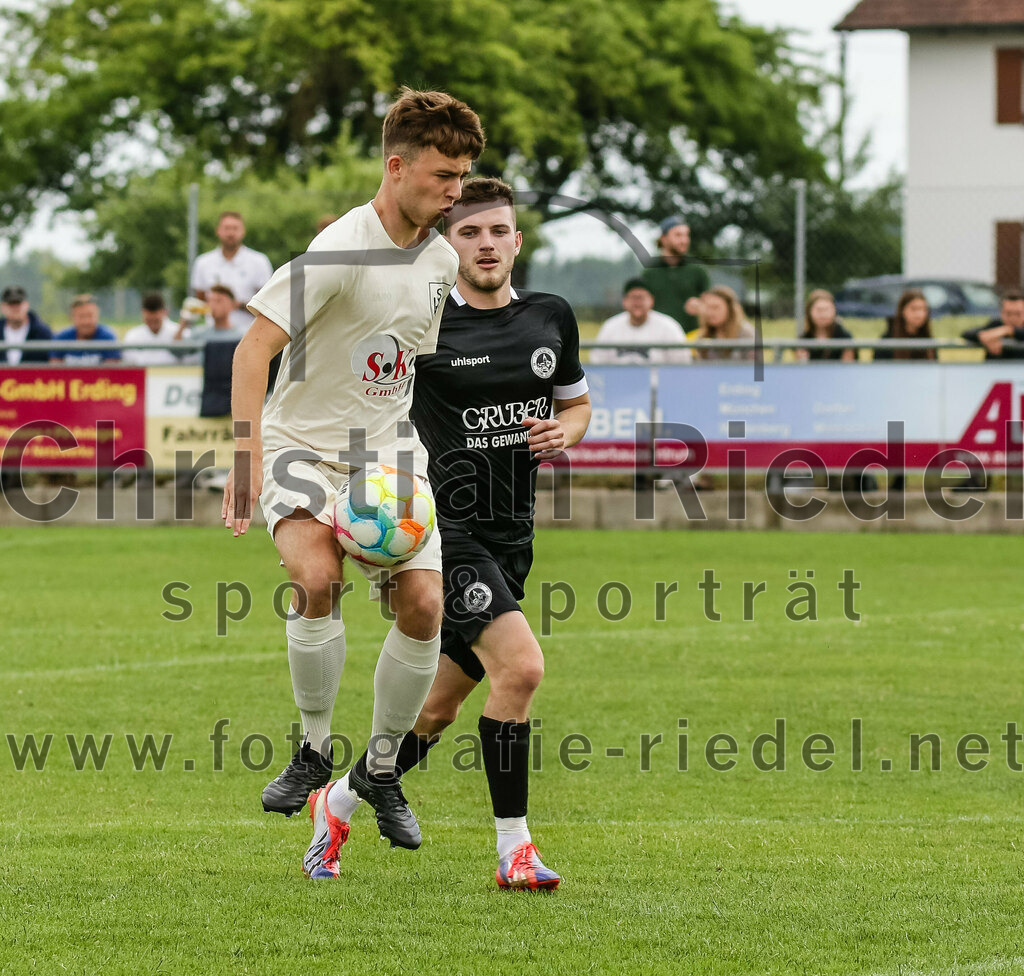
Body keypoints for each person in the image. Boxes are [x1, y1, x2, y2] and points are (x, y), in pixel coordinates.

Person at [301, 177, 591, 890]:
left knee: (434, 710)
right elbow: (357, 392)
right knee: (521, 670)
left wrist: (566, 430)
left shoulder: (551, 316)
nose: (485, 244)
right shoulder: (423, 323)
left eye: (497, 231)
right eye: (469, 232)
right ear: (446, 243)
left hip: (513, 537)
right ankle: (515, 849)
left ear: (517, 240)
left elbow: (577, 404)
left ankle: (337, 803)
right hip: (441, 531)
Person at [221, 88, 485, 851]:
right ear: (396, 167)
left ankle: (382, 770)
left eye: (463, 176)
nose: (456, 191)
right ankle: (312, 751)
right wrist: (245, 456)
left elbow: (406, 368)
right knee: (316, 579)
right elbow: (252, 351)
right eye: (442, 175)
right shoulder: (339, 248)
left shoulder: (441, 259)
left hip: (388, 454)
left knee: (425, 606)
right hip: (301, 445)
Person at [190, 211, 273, 333]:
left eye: (235, 228)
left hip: (249, 334)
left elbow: (267, 303)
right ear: (218, 231)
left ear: (243, 231)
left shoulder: (259, 261)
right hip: (213, 334)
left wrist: (237, 305)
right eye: (227, 228)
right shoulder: (203, 262)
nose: (230, 233)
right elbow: (201, 298)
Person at [590, 278, 691, 364]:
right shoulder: (610, 327)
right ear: (624, 301)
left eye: (642, 298)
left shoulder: (669, 327)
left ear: (651, 300)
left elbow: (682, 365)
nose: (637, 303)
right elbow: (597, 363)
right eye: (633, 298)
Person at [639, 216, 710, 333]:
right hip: (659, 336)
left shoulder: (698, 270)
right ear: (663, 239)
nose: (684, 240)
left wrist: (700, 305)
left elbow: (710, 304)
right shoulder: (649, 273)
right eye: (678, 235)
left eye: (686, 235)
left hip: (691, 336)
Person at [122, 292, 189, 365]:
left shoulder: (181, 332)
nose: (152, 325)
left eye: (156, 321)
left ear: (165, 312)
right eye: (148, 321)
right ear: (143, 313)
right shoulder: (133, 335)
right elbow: (129, 362)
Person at [51, 295, 121, 363]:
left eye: (90, 316)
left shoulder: (108, 338)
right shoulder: (61, 338)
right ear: (72, 317)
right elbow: (55, 367)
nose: (86, 321)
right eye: (81, 316)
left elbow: (111, 369)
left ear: (97, 316)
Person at [692, 285, 756, 360]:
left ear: (730, 309)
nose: (710, 313)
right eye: (707, 308)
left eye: (715, 307)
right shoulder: (704, 336)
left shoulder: (745, 333)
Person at [874, 289, 935, 361]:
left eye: (924, 309)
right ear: (902, 310)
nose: (920, 314)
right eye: (914, 309)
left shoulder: (928, 340)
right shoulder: (887, 341)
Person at [961, 291, 1024, 359]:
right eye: (1009, 314)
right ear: (1001, 313)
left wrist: (1008, 330)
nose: (1013, 318)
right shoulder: (996, 325)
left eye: (1018, 314)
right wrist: (984, 337)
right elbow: (967, 334)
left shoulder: (1001, 329)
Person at [798, 289, 855, 362]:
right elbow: (801, 364)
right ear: (809, 311)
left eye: (826, 309)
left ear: (834, 311)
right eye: (819, 310)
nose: (823, 314)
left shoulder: (845, 337)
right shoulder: (804, 339)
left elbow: (848, 364)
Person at [1, 285, 53, 364]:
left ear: (26, 305)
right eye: (11, 304)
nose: (15, 308)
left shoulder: (43, 333)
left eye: (18, 303)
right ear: (3, 307)